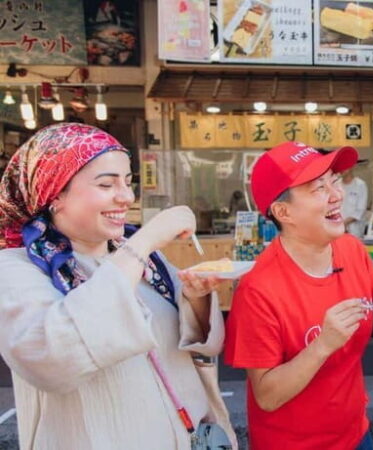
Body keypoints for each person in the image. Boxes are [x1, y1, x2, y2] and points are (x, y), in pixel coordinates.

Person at [0, 123, 236, 449]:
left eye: (127, 182)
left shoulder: (148, 262)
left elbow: (199, 347)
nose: (126, 197)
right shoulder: (17, 269)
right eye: (106, 184)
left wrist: (195, 300)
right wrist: (144, 241)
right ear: (54, 195)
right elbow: (51, 359)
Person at [224, 141, 373, 450]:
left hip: (356, 434)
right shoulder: (258, 289)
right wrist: (323, 345)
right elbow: (267, 395)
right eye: (318, 188)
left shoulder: (352, 250)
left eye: (333, 180)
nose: (337, 195)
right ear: (283, 211)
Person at [341, 165, 368, 237]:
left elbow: (360, 210)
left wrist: (344, 223)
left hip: (355, 230)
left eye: (344, 166)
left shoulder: (360, 185)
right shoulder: (337, 184)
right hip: (338, 230)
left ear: (351, 167)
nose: (341, 169)